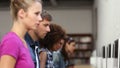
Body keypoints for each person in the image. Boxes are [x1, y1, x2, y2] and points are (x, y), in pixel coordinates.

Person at [0, 0, 42, 68]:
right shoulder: (11, 41)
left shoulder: (22, 42)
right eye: (36, 13)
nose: (40, 18)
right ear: (22, 13)